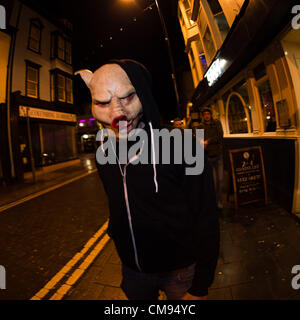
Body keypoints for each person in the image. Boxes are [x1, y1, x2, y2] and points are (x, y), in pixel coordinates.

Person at [75, 59, 219, 300]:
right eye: (102, 102)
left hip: (181, 273)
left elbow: (206, 215)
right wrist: (116, 233)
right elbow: (117, 202)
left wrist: (201, 285)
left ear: (143, 92)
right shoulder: (104, 152)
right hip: (134, 273)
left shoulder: (183, 145)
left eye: (128, 97)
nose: (117, 112)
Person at [199, 108, 224, 210]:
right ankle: (213, 201)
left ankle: (220, 201)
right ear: (203, 116)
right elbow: (199, 141)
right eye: (204, 114)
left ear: (211, 115)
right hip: (208, 157)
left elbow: (220, 136)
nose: (206, 116)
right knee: (212, 182)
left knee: (221, 180)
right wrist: (201, 143)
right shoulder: (200, 126)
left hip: (218, 156)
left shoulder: (216, 123)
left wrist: (208, 141)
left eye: (208, 114)